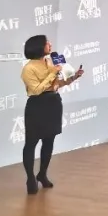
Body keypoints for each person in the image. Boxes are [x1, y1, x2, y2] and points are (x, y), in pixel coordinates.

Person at [21, 34, 83, 195]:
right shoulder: (28, 68)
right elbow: (36, 90)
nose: (50, 45)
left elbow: (56, 84)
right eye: (46, 43)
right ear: (38, 47)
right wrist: (52, 73)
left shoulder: (50, 62)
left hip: (53, 103)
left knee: (49, 141)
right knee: (31, 143)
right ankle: (30, 178)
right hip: (37, 105)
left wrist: (73, 77)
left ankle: (42, 174)